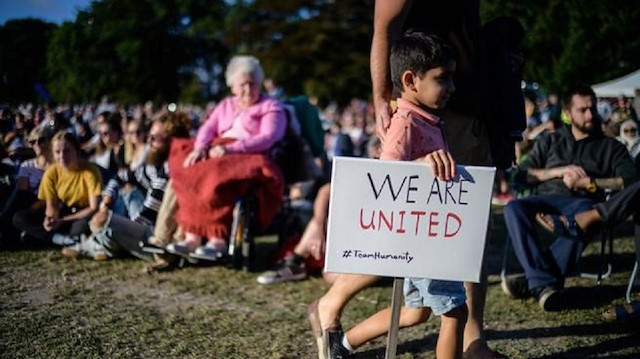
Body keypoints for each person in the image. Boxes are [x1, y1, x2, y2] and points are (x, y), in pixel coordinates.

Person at [312, 2, 506, 359]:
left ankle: (344, 343)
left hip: (429, 238)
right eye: (442, 78)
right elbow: (389, 175)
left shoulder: (428, 118)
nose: (450, 86)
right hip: (423, 244)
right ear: (409, 80)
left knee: (415, 313)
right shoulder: (406, 122)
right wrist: (420, 163)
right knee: (454, 313)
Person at [501, 85, 639, 311]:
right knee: (513, 208)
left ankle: (536, 283)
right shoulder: (551, 141)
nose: (590, 115)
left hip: (583, 203)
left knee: (585, 213)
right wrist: (556, 172)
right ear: (567, 112)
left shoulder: (609, 146)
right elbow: (522, 174)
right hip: (545, 199)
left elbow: (632, 180)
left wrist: (591, 183)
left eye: (592, 109)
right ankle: (545, 282)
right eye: (582, 110)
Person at [166, 55, 286, 261]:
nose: (248, 89)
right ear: (232, 87)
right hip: (218, 150)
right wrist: (200, 148)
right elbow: (207, 129)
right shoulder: (226, 105)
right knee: (187, 165)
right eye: (242, 85)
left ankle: (217, 238)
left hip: (249, 155)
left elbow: (268, 137)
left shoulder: (271, 107)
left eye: (252, 83)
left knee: (213, 175)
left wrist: (231, 149)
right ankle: (192, 235)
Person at [61, 112, 191, 261]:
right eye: (149, 136)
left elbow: (148, 216)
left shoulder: (171, 169)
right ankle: (102, 244)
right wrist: (107, 201)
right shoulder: (155, 166)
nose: (149, 141)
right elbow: (122, 177)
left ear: (171, 141)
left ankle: (97, 245)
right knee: (127, 195)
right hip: (147, 223)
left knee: (108, 222)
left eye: (155, 138)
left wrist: (112, 223)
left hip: (159, 236)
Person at [256, 136, 382, 285]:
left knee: (333, 276)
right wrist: (319, 224)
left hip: (375, 249)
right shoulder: (365, 173)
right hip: (350, 240)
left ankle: (297, 262)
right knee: (319, 222)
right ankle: (296, 260)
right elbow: (325, 192)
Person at [12, 131, 103, 249]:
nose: (62, 156)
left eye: (67, 151)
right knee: (19, 217)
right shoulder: (51, 173)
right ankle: (58, 239)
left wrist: (63, 220)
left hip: (81, 213)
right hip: (62, 211)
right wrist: (50, 220)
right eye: (57, 152)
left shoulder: (90, 171)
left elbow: (93, 207)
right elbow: (51, 205)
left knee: (84, 225)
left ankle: (54, 239)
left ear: (76, 150)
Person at [0, 126, 53, 247]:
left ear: (50, 141)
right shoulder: (27, 165)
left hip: (49, 203)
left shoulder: (58, 166)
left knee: (17, 214)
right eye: (33, 142)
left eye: (42, 140)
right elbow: (22, 192)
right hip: (29, 202)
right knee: (18, 198)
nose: (37, 144)